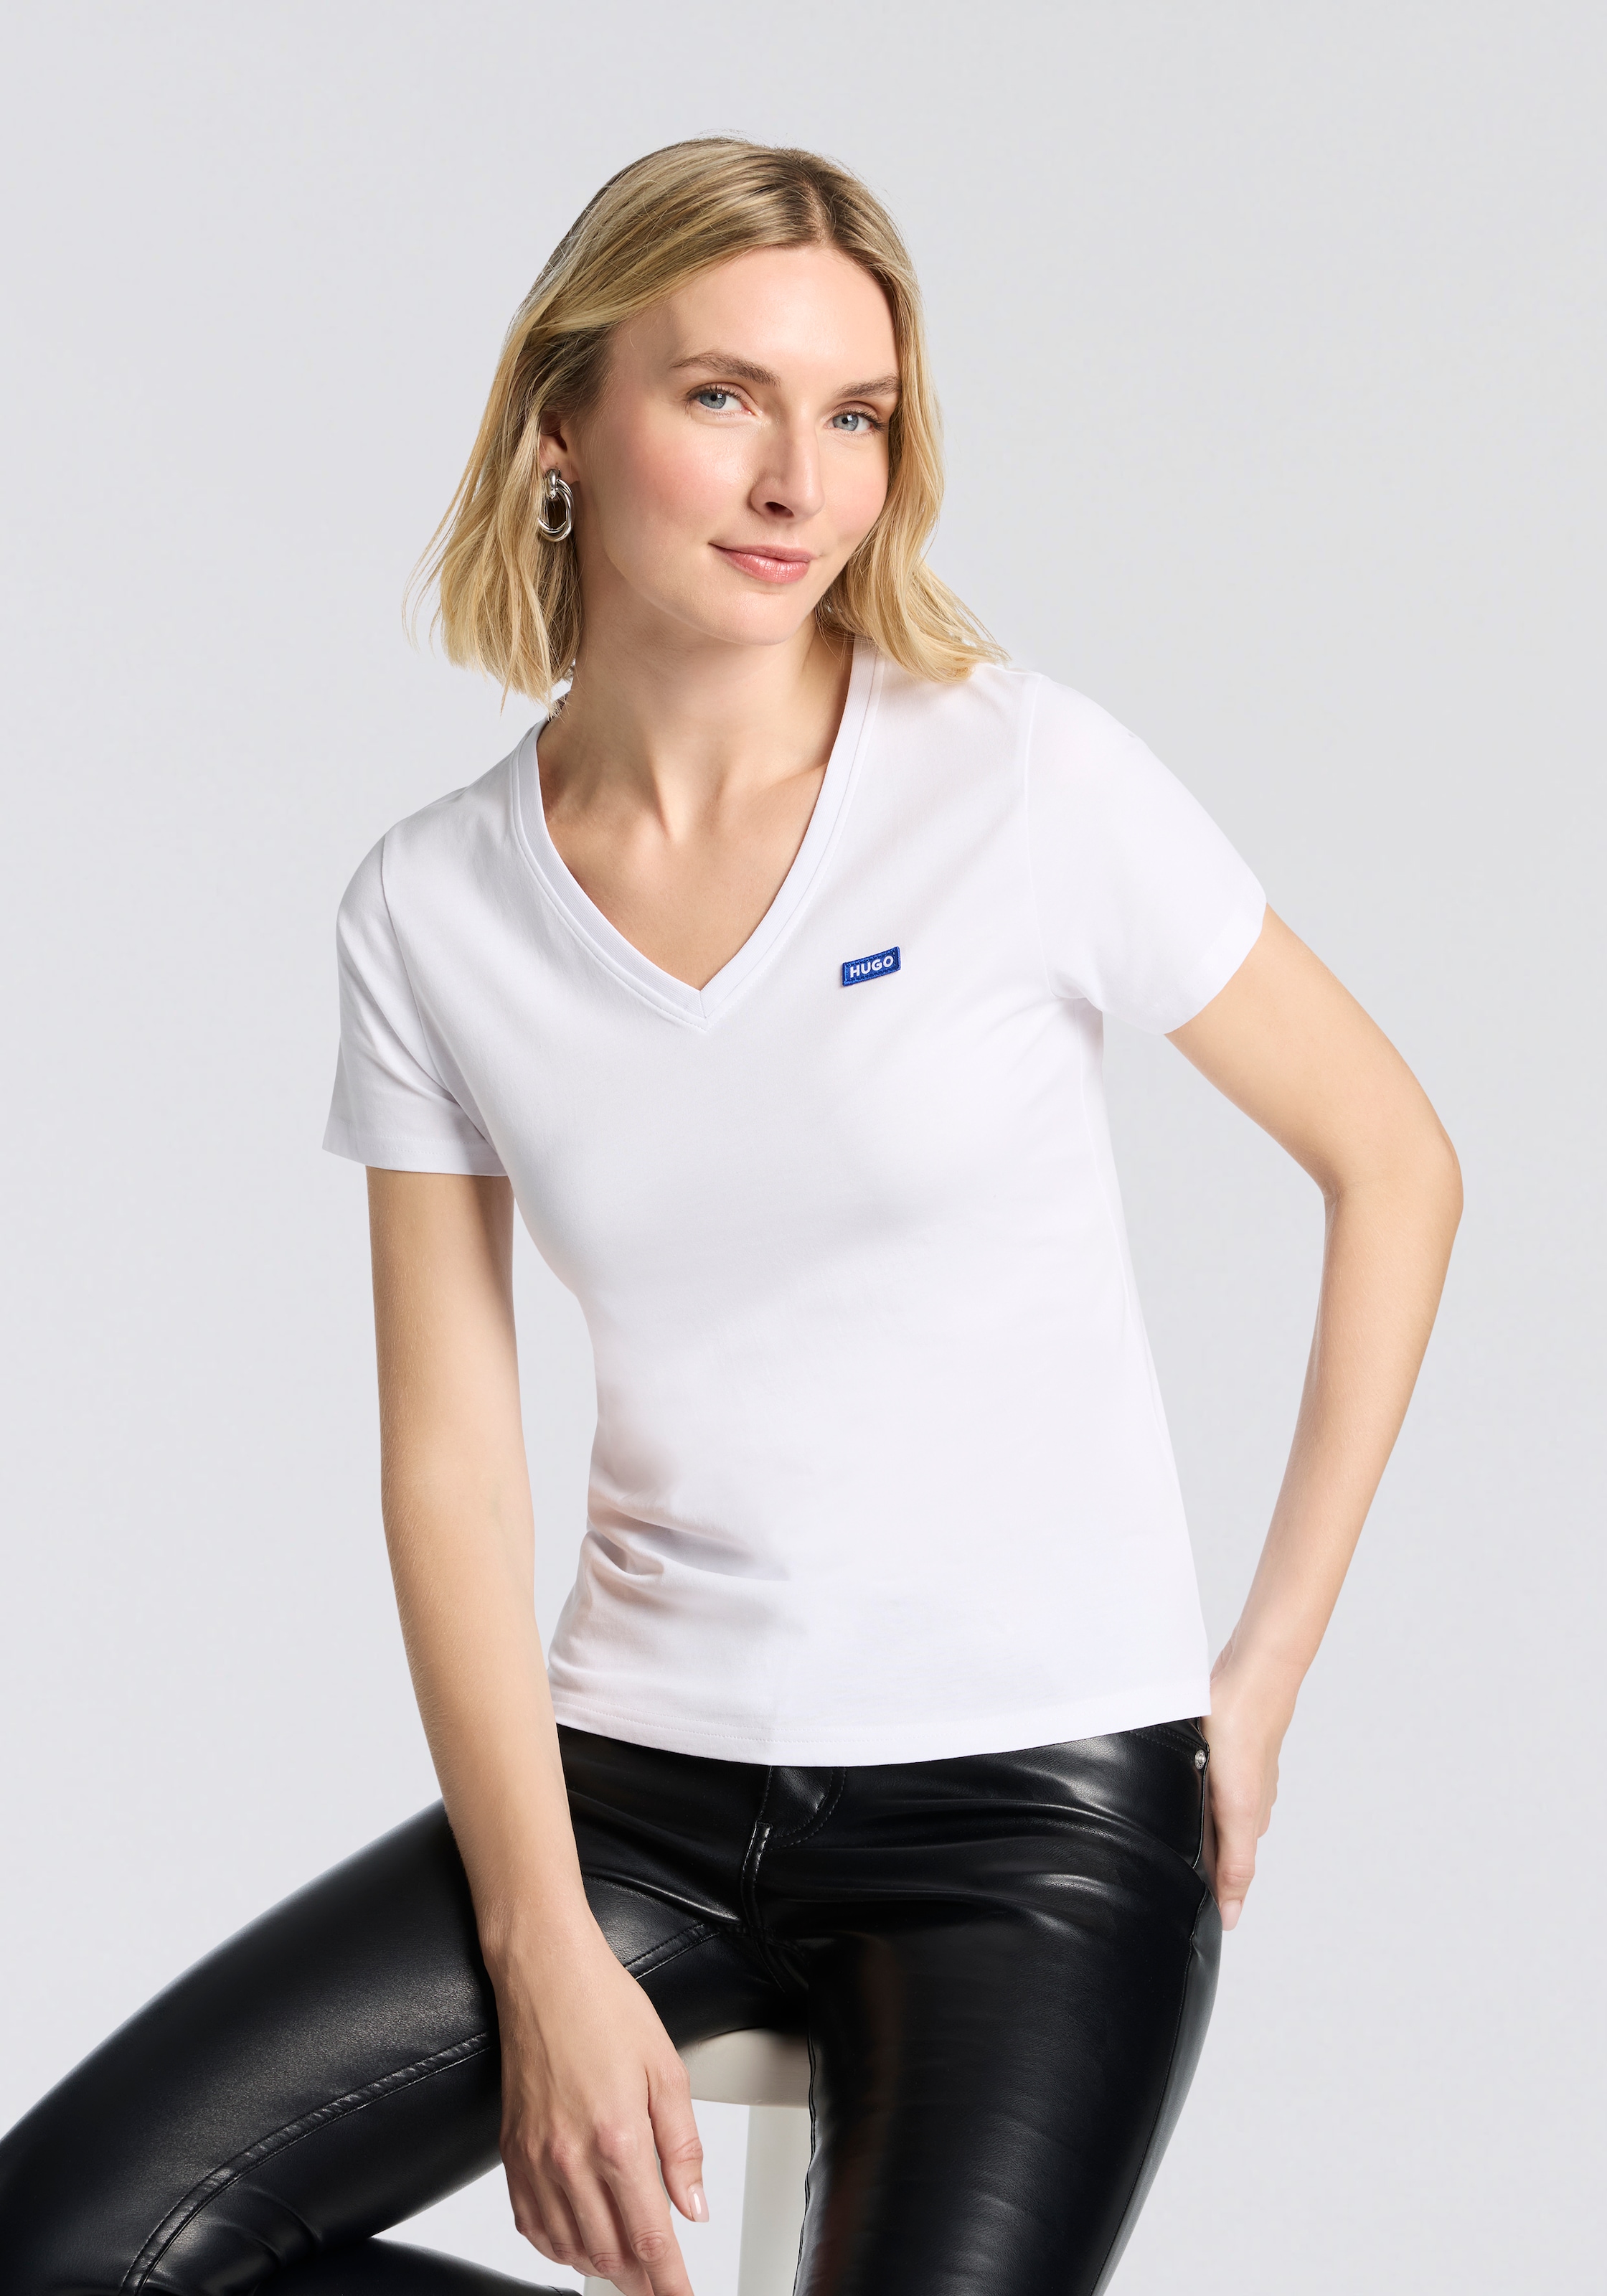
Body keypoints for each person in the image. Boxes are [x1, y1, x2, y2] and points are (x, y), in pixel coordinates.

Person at [0, 138, 1461, 2296]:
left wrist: (1256, 1682)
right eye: (723, 397)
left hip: (1031, 1812)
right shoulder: (434, 906)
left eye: (855, 416)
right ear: (562, 421)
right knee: (65, 2252)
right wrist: (542, 1943)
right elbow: (451, 1460)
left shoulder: (1019, 780)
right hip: (633, 1798)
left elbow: (1394, 1160)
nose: (800, 481)